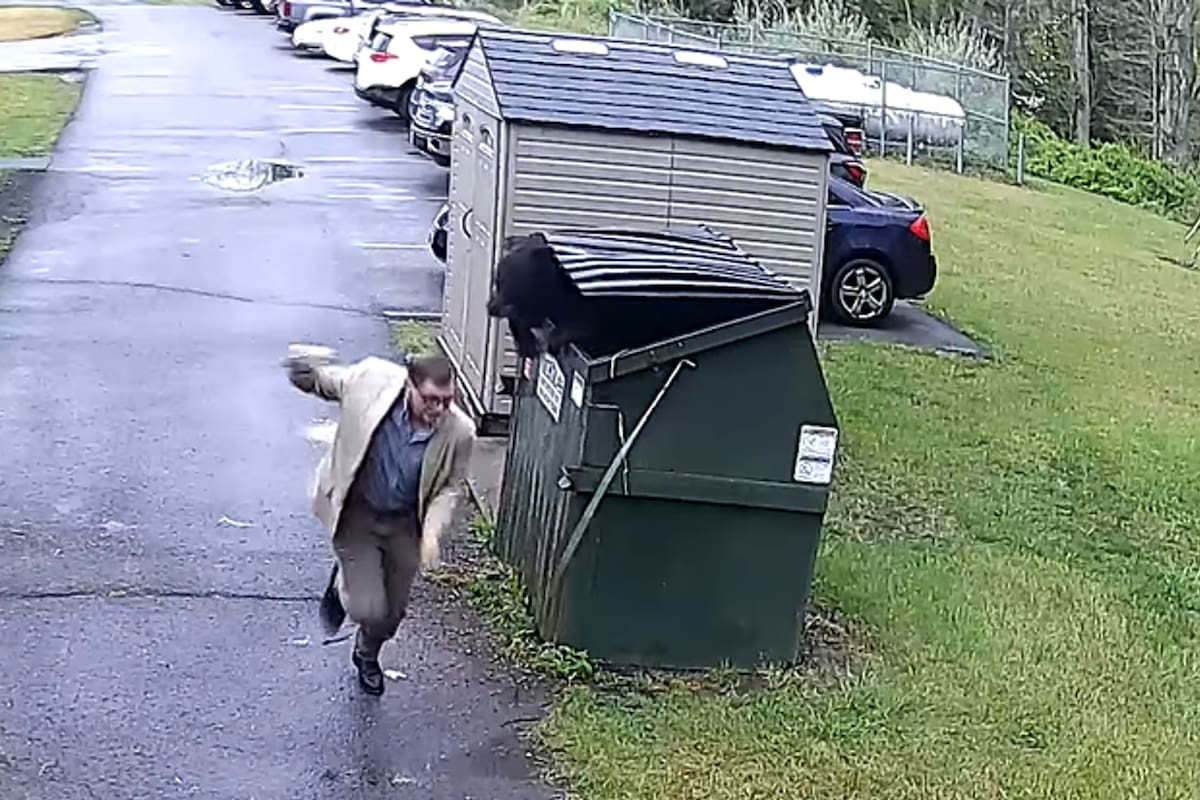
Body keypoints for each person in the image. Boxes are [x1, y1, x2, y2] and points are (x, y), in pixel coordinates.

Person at [284, 350, 475, 695]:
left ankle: (366, 654)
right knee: (368, 608)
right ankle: (344, 582)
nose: (439, 409)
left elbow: (449, 487)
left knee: (392, 613)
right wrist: (304, 373)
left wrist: (431, 534)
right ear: (409, 387)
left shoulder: (460, 432)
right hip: (357, 513)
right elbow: (329, 382)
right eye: (431, 399)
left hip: (404, 524)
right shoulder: (370, 379)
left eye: (447, 401)